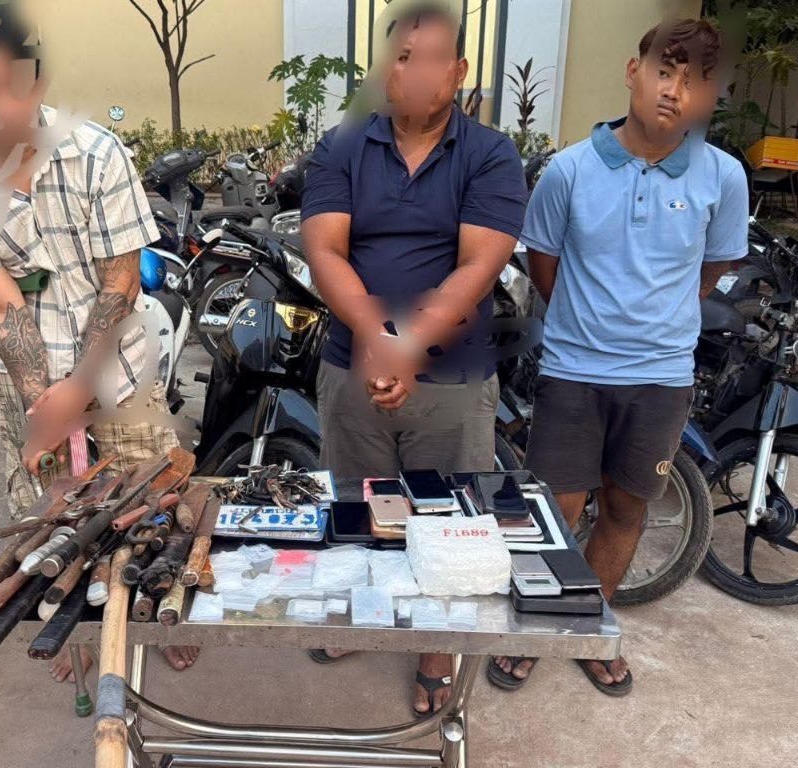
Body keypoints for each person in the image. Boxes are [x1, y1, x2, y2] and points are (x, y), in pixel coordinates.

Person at [0, 2, 186, 682]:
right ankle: (71, 627)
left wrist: (81, 386)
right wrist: (45, 400)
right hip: (25, 375)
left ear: (35, 81)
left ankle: (158, 612)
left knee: (148, 501)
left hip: (119, 366)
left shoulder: (97, 153)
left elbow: (119, 280)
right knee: (53, 518)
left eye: (5, 85)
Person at [491, 18, 746, 697]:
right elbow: (544, 263)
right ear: (635, 71)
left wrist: (655, 323)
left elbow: (711, 268)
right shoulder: (569, 170)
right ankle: (536, 629)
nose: (674, 91)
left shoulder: (724, 176)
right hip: (574, 371)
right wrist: (589, 322)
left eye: (694, 81)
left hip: (661, 378)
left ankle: (586, 627)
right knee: (554, 512)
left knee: (626, 509)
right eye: (665, 70)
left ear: (709, 97)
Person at [301, 5, 526, 715]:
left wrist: (408, 344)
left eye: (430, 58)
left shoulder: (490, 154)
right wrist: (378, 338)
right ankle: (368, 616)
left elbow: (478, 266)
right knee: (359, 503)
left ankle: (434, 648)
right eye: (400, 57)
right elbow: (325, 250)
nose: (413, 71)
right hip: (354, 363)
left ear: (458, 71)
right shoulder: (341, 146)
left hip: (453, 375)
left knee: (447, 511)